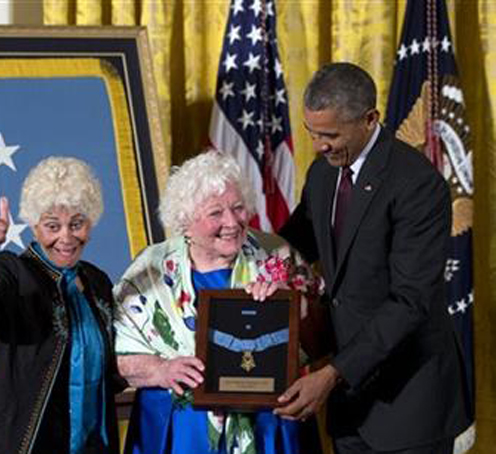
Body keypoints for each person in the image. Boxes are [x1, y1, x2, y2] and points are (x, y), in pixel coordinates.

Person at [276, 62, 472, 454]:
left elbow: (409, 302)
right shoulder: (322, 174)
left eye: (330, 134)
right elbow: (292, 245)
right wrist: (223, 237)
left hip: (410, 404)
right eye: (312, 133)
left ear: (369, 119)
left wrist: (332, 374)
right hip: (352, 406)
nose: (319, 146)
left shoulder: (416, 184)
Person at [113, 150, 321, 454]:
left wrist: (291, 305)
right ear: (185, 220)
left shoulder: (277, 254)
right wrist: (161, 369)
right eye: (215, 213)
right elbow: (116, 357)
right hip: (181, 432)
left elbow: (322, 336)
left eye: (238, 208)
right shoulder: (151, 270)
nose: (233, 222)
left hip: (268, 426)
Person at [0, 157, 123, 454]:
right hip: (23, 444)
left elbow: (110, 368)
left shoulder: (97, 282)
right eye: (52, 226)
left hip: (92, 444)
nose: (66, 237)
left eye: (77, 224)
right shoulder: (12, 271)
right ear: (34, 225)